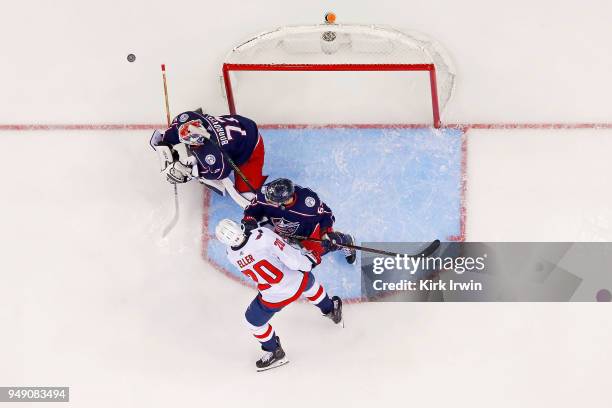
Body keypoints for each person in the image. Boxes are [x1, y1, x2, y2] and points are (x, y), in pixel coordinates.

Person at [215, 218, 342, 371]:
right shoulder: (263, 235)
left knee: (253, 322)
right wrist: (310, 260)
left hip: (273, 296)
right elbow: (294, 260)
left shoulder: (230, 254)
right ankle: (331, 309)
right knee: (307, 280)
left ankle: (274, 351)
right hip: (297, 283)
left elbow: (248, 249)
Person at [149, 109, 267, 200]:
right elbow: (176, 128)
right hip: (241, 123)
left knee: (247, 195)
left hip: (251, 146)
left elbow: (220, 173)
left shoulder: (213, 153)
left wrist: (191, 172)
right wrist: (165, 144)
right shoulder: (188, 119)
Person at [241, 178, 357, 265]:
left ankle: (346, 241)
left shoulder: (308, 204)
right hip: (279, 229)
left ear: (285, 200)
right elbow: (252, 209)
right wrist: (250, 220)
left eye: (272, 200)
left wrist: (327, 234)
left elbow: (326, 215)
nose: (267, 200)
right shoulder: (266, 193)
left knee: (320, 252)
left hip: (307, 234)